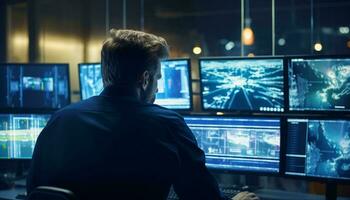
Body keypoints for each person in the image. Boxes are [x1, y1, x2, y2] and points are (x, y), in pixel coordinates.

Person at [27, 29, 259, 200]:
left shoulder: (61, 119)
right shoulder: (167, 124)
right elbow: (202, 196)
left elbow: (35, 190)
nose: (157, 87)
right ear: (145, 78)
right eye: (157, 78)